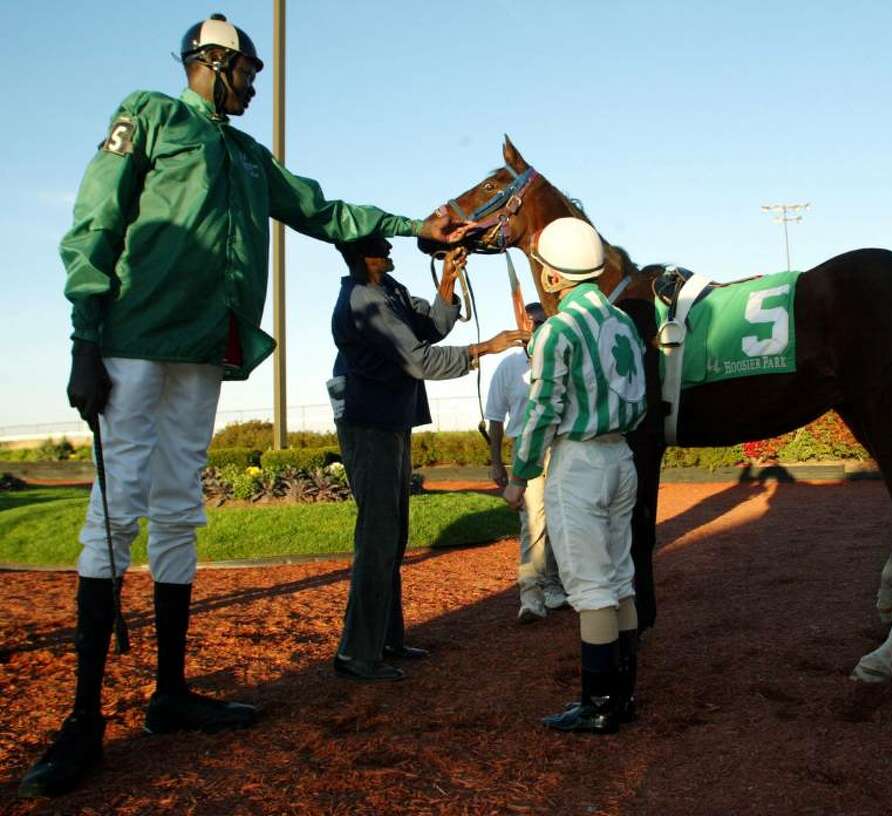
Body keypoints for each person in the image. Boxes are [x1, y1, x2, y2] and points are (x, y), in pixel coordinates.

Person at [20, 13, 473, 799]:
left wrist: (414, 225)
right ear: (213, 63)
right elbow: (96, 221)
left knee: (177, 509)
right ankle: (84, 720)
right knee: (115, 512)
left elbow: (325, 212)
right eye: (249, 70)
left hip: (204, 350)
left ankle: (168, 694)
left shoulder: (247, 154)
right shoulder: (151, 115)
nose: (257, 83)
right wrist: (83, 337)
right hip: (131, 341)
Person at [331, 238, 528, 681]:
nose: (390, 244)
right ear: (367, 255)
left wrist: (449, 280)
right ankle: (356, 654)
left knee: (392, 532)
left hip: (389, 420)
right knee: (379, 534)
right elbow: (420, 360)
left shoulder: (390, 291)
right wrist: (484, 349)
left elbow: (433, 327)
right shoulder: (366, 300)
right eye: (381, 241)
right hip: (369, 423)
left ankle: (386, 639)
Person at [501, 217, 648, 733]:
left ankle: (600, 704)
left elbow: (543, 411)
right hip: (621, 456)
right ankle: (624, 695)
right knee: (621, 577)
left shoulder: (557, 329)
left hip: (579, 462)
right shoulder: (624, 322)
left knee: (590, 589)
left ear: (554, 277)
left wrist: (519, 475)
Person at [484, 303, 569, 623]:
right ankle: (530, 595)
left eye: (542, 323)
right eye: (531, 323)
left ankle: (554, 584)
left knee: (561, 518)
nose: (536, 328)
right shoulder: (508, 368)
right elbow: (494, 418)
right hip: (525, 450)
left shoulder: (561, 359)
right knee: (533, 522)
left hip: (561, 447)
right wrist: (495, 463)